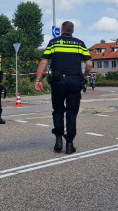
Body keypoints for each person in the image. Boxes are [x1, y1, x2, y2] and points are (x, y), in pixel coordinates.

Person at [35, 21, 92, 154]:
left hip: (58, 82)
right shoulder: (80, 43)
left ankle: (58, 140)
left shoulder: (54, 43)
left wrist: (38, 80)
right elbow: (89, 64)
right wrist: (84, 75)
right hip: (74, 82)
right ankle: (70, 144)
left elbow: (44, 61)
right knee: (72, 113)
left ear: (61, 30)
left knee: (58, 110)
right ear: (72, 31)